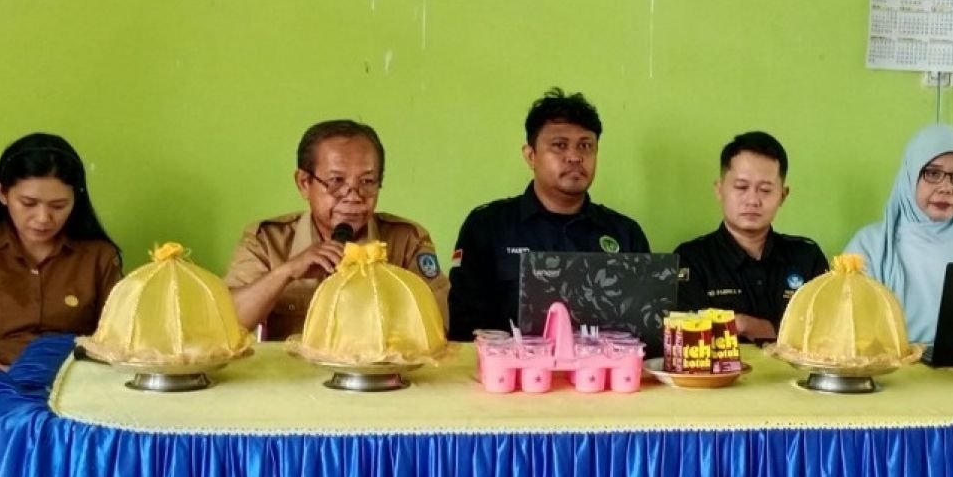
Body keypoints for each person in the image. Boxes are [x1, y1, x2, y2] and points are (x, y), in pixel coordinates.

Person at [0, 134, 122, 455]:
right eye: (29, 203)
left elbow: (118, 342)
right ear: (2, 193)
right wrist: (13, 380)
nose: (43, 218)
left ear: (76, 199)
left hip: (73, 396)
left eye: (58, 205)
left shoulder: (98, 257)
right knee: (12, 453)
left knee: (98, 459)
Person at [447, 88, 650, 340]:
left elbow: (645, 332)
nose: (574, 157)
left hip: (604, 366)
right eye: (559, 145)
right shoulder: (487, 227)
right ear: (531, 156)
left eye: (585, 145)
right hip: (510, 366)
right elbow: (464, 329)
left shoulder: (625, 234)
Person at [226, 120, 448, 339]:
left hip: (378, 363)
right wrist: (287, 272)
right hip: (292, 363)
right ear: (304, 183)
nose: (353, 197)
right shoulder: (267, 240)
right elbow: (226, 323)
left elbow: (438, 326)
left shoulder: (406, 241)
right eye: (336, 181)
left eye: (367, 181)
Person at [843, 123, 953, 344]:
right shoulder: (869, 247)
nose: (947, 187)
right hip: (887, 364)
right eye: (933, 173)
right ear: (910, 175)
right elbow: (849, 329)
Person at [673, 132, 827, 342]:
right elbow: (687, 338)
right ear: (719, 190)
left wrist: (747, 325)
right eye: (741, 187)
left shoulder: (807, 257)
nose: (753, 200)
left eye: (765, 190)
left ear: (783, 196)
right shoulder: (690, 260)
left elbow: (826, 333)